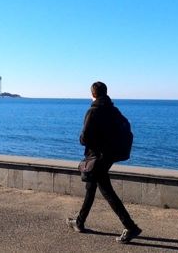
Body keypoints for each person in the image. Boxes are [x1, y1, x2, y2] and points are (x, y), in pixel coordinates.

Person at [66, 81, 141, 244]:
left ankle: (130, 227)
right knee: (90, 188)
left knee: (107, 191)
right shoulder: (113, 110)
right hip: (109, 155)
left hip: (98, 157)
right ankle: (79, 222)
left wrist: (82, 139)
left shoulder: (93, 111)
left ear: (93, 94)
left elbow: (84, 138)